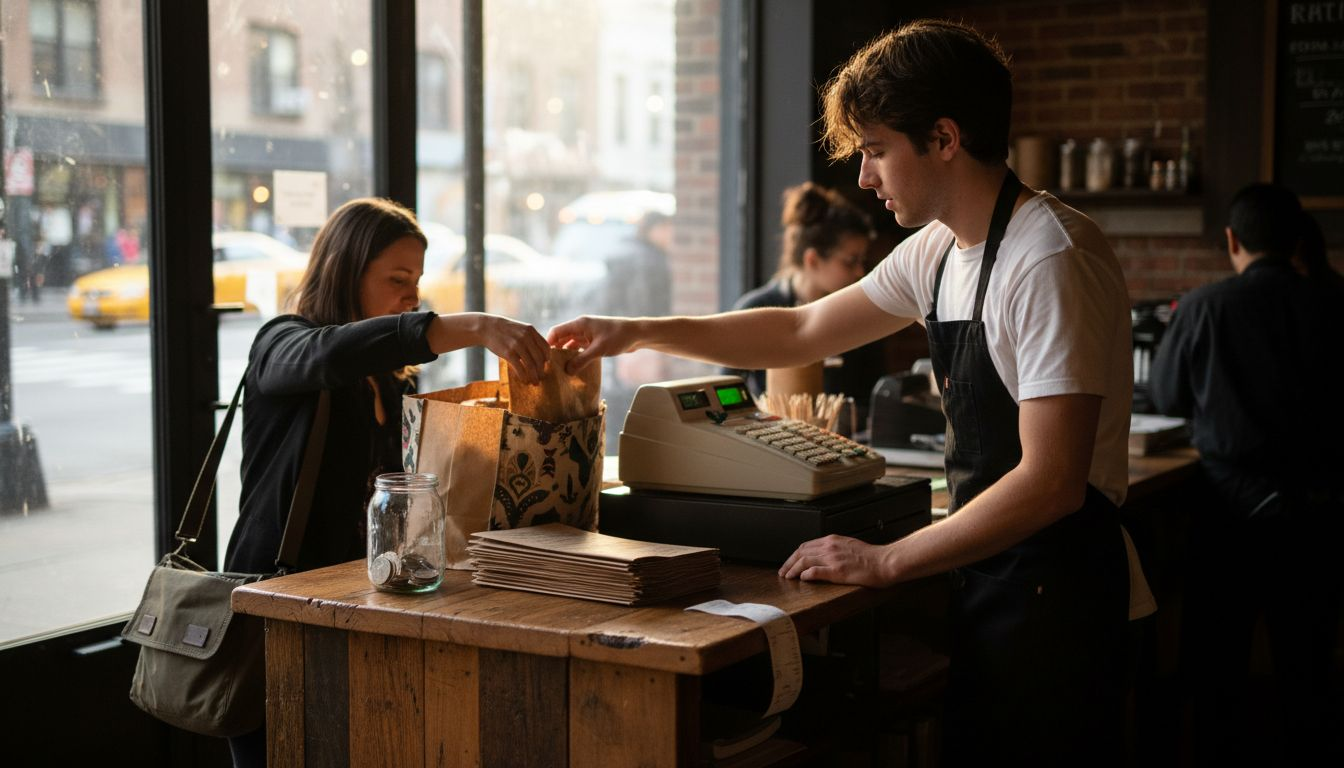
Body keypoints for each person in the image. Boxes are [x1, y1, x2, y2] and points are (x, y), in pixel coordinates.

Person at [550, 19, 1138, 766]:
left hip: (1057, 593)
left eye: (876, 150)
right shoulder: (940, 250)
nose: (863, 177)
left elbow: (1051, 482)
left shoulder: (1046, 256)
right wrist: (634, 331)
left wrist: (889, 561)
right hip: (994, 575)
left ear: (946, 138)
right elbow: (799, 332)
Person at [222, 197, 549, 767]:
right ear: (346, 272)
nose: (412, 295)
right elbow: (328, 355)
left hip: (358, 606)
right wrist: (475, 326)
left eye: (417, 281)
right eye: (398, 279)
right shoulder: (282, 343)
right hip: (275, 609)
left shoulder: (389, 383)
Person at [1149, 183, 1344, 766]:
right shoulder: (1336, 306)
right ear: (1297, 241)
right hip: (1322, 515)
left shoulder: (1204, 306)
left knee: (1218, 672)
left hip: (1231, 515)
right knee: (1308, 673)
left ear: (1231, 240)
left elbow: (1163, 396)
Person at [726, 181, 875, 405]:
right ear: (812, 260)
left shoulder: (859, 314)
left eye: (861, 261)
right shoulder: (755, 309)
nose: (860, 271)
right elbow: (725, 394)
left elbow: (867, 397)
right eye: (851, 261)